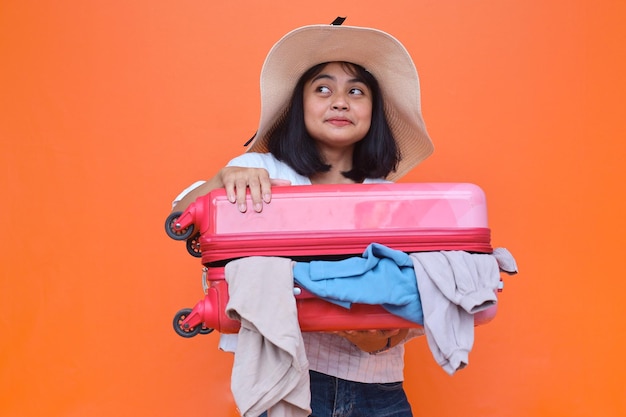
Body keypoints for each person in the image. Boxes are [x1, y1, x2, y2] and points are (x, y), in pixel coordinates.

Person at [172, 20, 434, 417]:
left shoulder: (388, 197)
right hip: (282, 381)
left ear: (373, 112)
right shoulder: (259, 172)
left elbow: (412, 298)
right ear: (300, 105)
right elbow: (181, 217)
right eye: (323, 89)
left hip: (379, 392)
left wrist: (378, 340)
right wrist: (224, 179)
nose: (340, 101)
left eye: (356, 92)